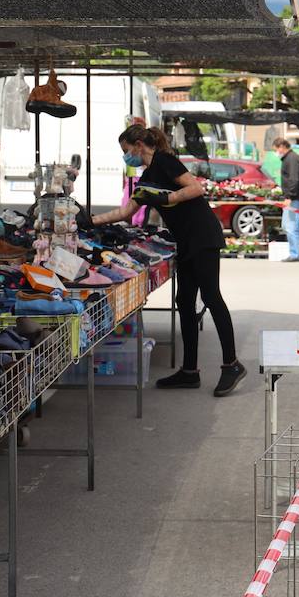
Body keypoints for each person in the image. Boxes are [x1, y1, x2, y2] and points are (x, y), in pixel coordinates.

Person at [88, 125, 246, 396]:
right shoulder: (148, 175)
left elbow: (195, 188)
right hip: (185, 240)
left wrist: (168, 197)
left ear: (139, 145)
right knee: (184, 300)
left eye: (126, 151)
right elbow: (127, 212)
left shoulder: (165, 161)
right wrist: (89, 220)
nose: (126, 157)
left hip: (202, 236)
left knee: (211, 296)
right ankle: (189, 371)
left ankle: (231, 364)